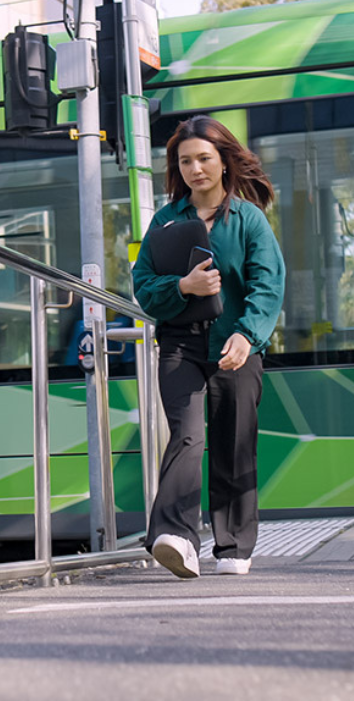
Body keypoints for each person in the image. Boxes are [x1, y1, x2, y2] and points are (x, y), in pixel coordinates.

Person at [131, 115, 285, 578]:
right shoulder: (165, 219)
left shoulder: (249, 220)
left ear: (223, 162)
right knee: (187, 435)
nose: (195, 169)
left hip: (237, 345)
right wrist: (184, 285)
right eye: (185, 162)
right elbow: (144, 284)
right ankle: (175, 536)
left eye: (203, 159)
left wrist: (247, 334)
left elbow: (268, 284)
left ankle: (234, 546)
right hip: (181, 345)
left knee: (233, 444)